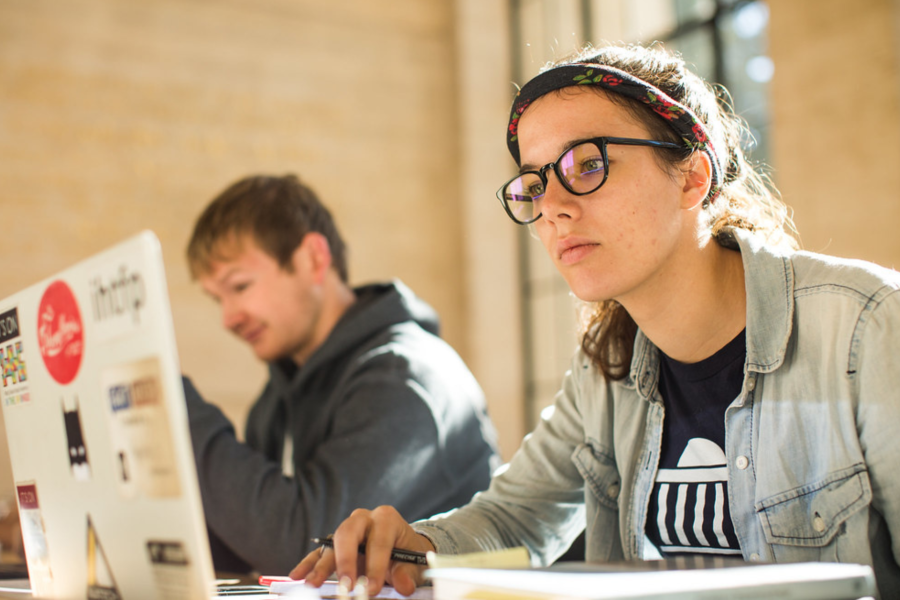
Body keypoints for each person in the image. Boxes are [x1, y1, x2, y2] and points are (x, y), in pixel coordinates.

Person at [290, 43, 900, 598]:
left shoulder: (867, 328)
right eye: (534, 182)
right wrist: (412, 546)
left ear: (692, 177)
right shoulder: (605, 364)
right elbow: (515, 520)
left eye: (587, 165)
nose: (551, 208)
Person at [182, 174, 500, 575]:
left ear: (313, 258)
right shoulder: (274, 401)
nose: (228, 318)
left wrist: (176, 409)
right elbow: (252, 549)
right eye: (217, 299)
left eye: (240, 286)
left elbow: (307, 552)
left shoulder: (406, 377)